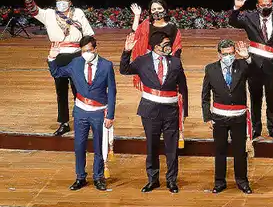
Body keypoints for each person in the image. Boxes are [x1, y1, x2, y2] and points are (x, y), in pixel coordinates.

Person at [21, 0, 95, 136]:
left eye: (65, 0)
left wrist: (89, 54)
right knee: (61, 92)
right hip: (58, 55)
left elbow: (88, 34)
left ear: (70, 2)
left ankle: (83, 120)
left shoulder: (78, 13)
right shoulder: (49, 14)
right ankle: (64, 123)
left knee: (79, 90)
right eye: (59, 0)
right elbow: (34, 11)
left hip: (76, 55)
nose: (61, 3)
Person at [120, 30, 189, 193]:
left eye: (169, 44)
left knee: (171, 148)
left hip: (171, 110)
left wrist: (183, 112)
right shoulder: (142, 61)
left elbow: (183, 87)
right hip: (150, 110)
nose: (168, 47)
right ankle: (153, 179)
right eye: (165, 44)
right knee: (152, 146)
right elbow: (124, 70)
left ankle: (172, 180)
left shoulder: (176, 62)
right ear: (155, 46)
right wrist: (127, 52)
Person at [47, 36, 116, 191]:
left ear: (95, 49)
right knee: (79, 145)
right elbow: (57, 73)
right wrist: (52, 58)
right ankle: (80, 177)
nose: (86, 54)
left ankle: (98, 177)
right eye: (83, 51)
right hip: (80, 112)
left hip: (99, 112)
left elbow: (112, 91)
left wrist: (110, 115)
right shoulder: (75, 63)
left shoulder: (106, 65)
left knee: (99, 146)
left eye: (89, 50)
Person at [229, 0, 273, 140]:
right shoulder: (250, 18)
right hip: (253, 65)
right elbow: (233, 22)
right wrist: (236, 7)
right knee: (255, 98)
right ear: (257, 6)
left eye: (268, 5)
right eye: (263, 5)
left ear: (272, 5)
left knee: (272, 100)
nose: (266, 7)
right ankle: (256, 128)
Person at [202, 39, 256, 194]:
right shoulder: (210, 69)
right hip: (219, 116)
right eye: (225, 54)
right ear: (219, 54)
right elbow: (205, 95)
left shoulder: (243, 65)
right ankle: (219, 182)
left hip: (238, 116)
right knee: (220, 151)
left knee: (240, 151)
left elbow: (257, 74)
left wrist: (247, 57)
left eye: (232, 53)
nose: (229, 56)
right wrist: (207, 116)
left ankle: (242, 181)